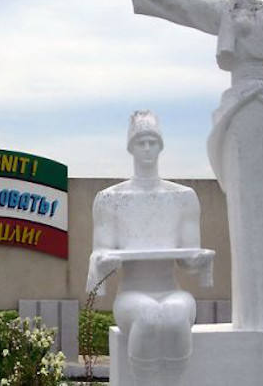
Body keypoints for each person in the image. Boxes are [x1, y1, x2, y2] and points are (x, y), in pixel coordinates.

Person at [94, 0, 263, 330]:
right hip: (242, 108)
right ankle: (255, 314)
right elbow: (179, 5)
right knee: (248, 210)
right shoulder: (223, 12)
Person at [87, 110, 213, 386]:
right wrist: (104, 261)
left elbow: (188, 261)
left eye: (152, 142)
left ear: (160, 146)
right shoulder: (111, 199)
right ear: (131, 147)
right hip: (132, 294)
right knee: (147, 317)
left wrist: (200, 260)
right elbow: (102, 255)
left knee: (177, 316)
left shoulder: (182, 198)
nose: (146, 148)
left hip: (170, 289)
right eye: (141, 142)